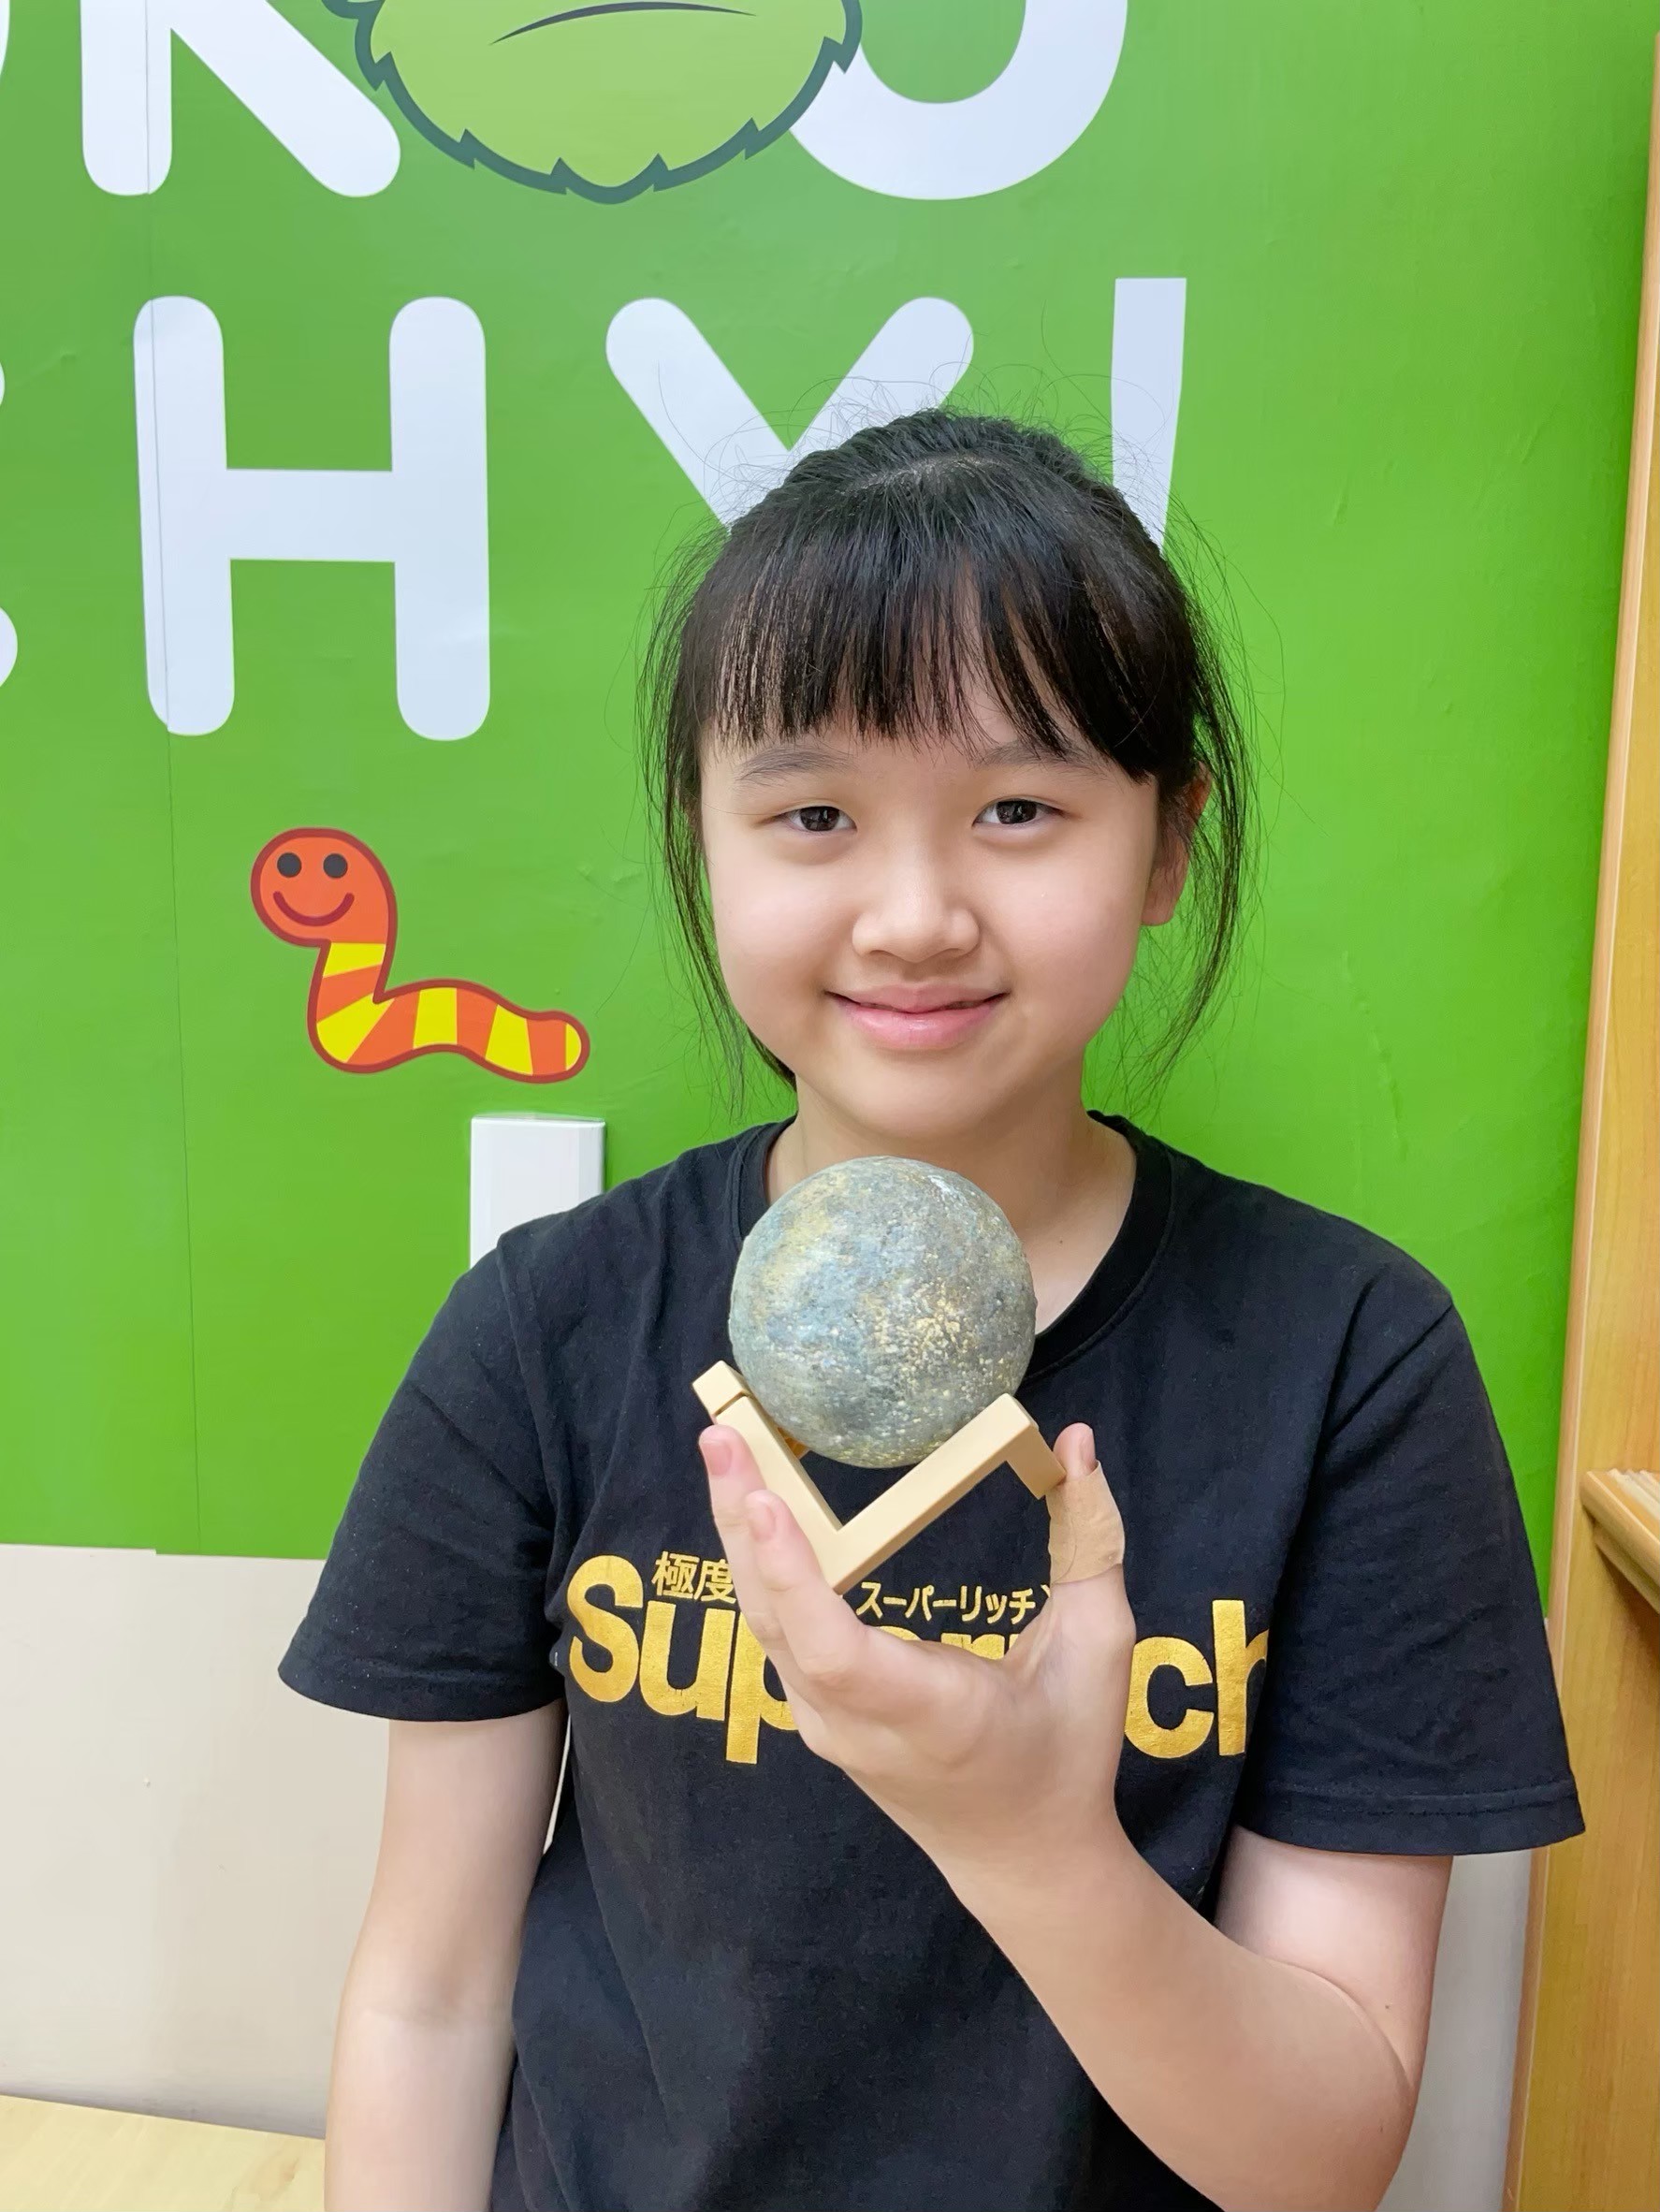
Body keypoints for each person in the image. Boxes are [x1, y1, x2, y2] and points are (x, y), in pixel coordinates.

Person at [277, 409, 1582, 2212]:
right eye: (813, 814)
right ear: (705, 842)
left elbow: (1321, 2158)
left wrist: (1035, 1844)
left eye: (1017, 810)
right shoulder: (548, 1327)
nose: (912, 915)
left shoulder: (1348, 1358)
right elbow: (428, 1999)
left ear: (1166, 843)